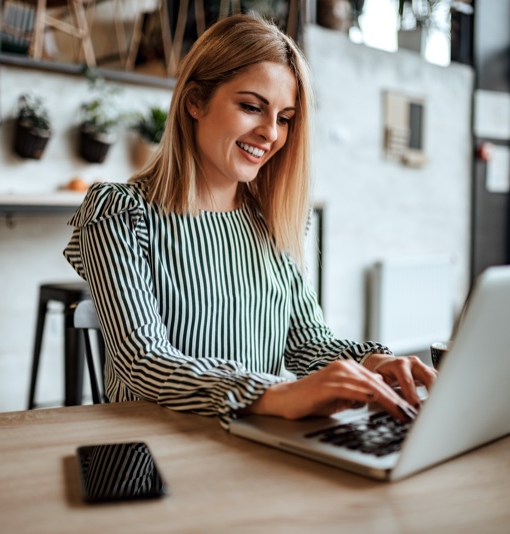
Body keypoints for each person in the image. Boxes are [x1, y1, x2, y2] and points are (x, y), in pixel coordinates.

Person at [64, 13, 436, 430]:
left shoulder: (271, 221)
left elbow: (307, 343)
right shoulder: (120, 214)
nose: (270, 133)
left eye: (284, 118)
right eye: (251, 107)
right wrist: (271, 393)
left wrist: (372, 362)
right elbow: (144, 362)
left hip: (254, 441)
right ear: (194, 102)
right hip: (157, 450)